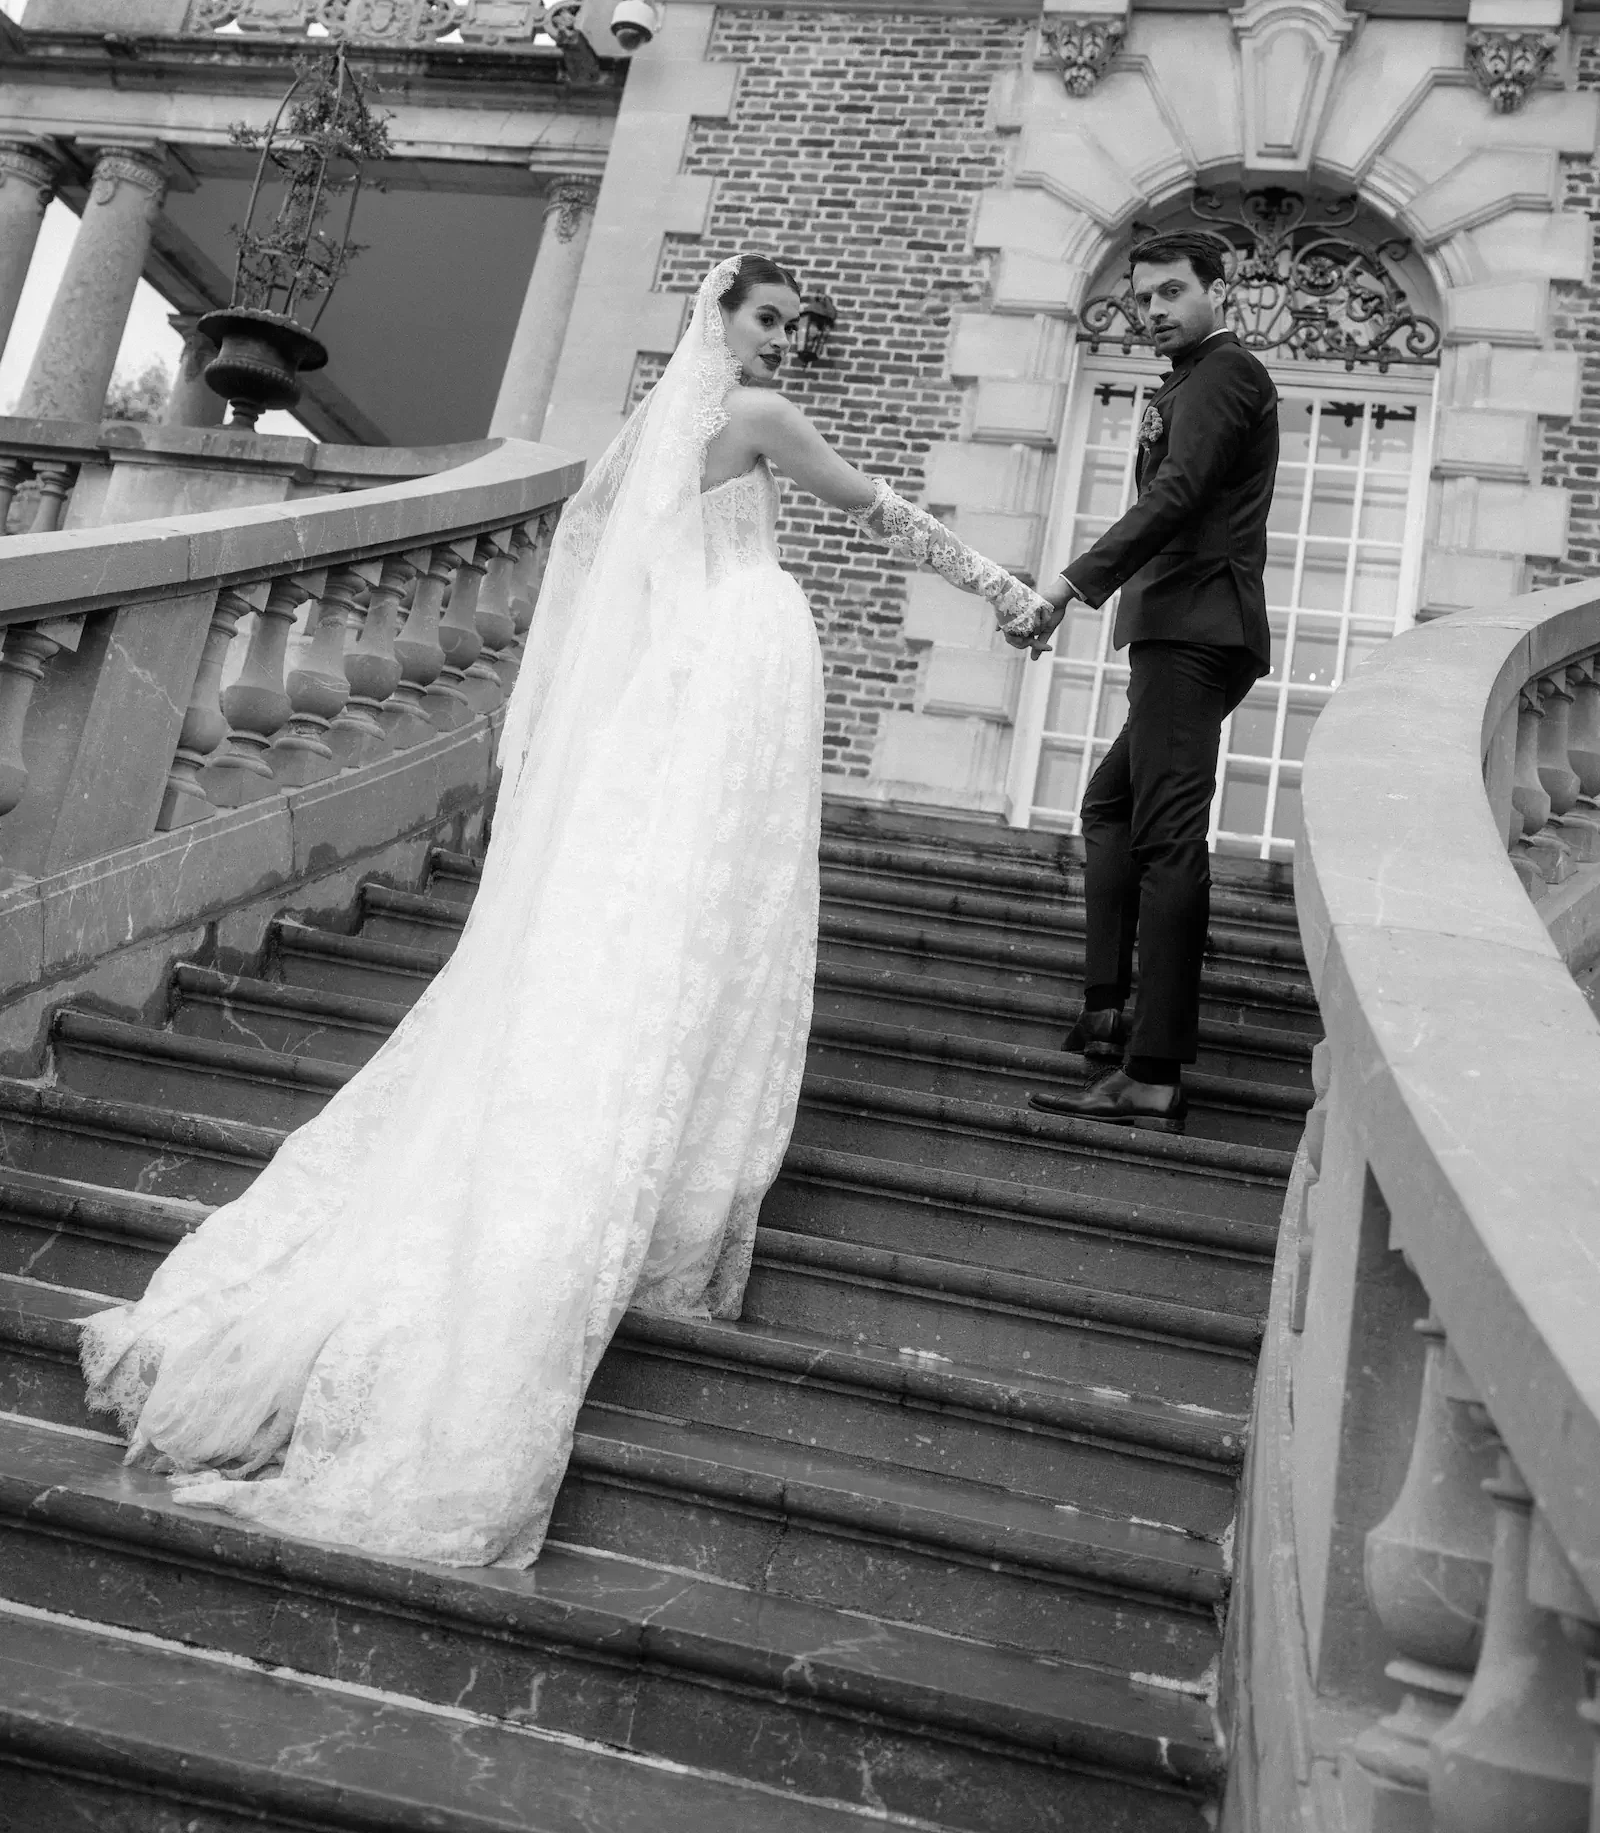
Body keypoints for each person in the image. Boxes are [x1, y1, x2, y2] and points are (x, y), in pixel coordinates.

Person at [80, 253, 1052, 1567]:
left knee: (675, 923)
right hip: (726, 689)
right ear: (722, 320)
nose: (782, 340)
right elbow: (877, 510)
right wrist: (1003, 588)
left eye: (794, 325)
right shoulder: (752, 423)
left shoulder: (658, 437)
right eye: (766, 318)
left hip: (694, 692)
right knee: (702, 923)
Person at [1016, 228, 1278, 1133]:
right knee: (1110, 808)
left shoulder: (1227, 375)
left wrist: (1064, 586)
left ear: (1218, 289)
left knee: (1167, 840)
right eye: (1144, 298)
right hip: (1184, 627)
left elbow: (1176, 497)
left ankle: (1153, 1069)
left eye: (1172, 293)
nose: (1154, 311)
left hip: (1196, 629)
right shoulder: (1193, 380)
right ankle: (1105, 1009)